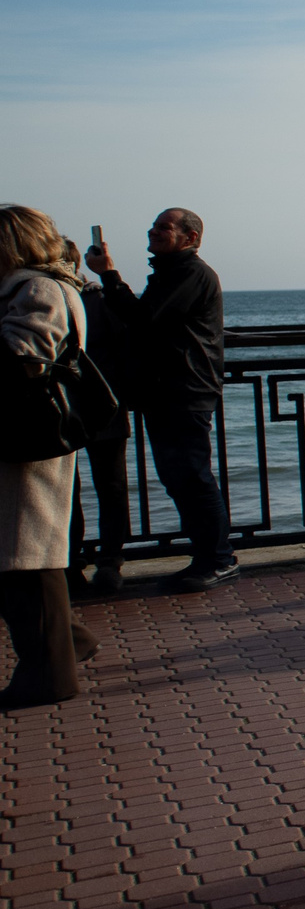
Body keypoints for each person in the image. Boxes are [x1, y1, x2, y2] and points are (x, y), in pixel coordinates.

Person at [85, 209, 232, 591]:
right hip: (167, 391)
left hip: (185, 391)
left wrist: (109, 276)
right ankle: (205, 557)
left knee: (193, 477)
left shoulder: (190, 273)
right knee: (180, 479)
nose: (153, 232)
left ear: (191, 237)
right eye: (153, 226)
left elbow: (143, 317)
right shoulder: (171, 272)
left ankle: (218, 558)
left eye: (164, 227)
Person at [1, 207, 102, 709]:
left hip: (28, 437)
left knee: (27, 556)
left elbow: (24, 357)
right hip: (29, 435)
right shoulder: (42, 286)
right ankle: (68, 643)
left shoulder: (36, 289)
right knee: (22, 554)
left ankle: (50, 674)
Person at [65, 238, 135, 599]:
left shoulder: (63, 296)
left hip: (69, 407)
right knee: (110, 488)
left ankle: (74, 563)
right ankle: (109, 562)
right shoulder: (97, 298)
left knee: (67, 492)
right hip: (104, 403)